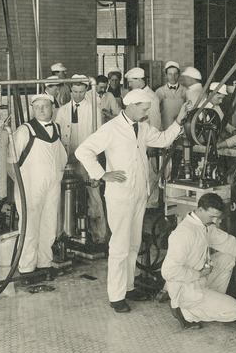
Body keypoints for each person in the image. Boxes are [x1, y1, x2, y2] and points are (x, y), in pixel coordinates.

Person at [76, 88, 190, 313]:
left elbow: (164, 140)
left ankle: (128, 286)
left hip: (139, 193)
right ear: (132, 105)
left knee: (133, 244)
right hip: (120, 195)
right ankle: (116, 296)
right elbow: (83, 150)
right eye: (144, 109)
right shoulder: (111, 128)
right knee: (119, 246)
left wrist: (179, 120)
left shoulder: (143, 127)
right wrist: (101, 174)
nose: (147, 112)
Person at [161, 193, 236, 329]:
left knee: (228, 257)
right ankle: (185, 312)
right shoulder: (184, 234)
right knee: (235, 311)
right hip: (186, 289)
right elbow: (168, 271)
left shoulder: (204, 226)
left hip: (199, 279)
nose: (215, 220)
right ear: (200, 210)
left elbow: (228, 243)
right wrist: (198, 274)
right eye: (212, 216)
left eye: (217, 217)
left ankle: (210, 300)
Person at [9, 93, 67, 275]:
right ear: (32, 109)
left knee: (49, 225)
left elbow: (61, 156)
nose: (41, 110)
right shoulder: (25, 131)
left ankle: (45, 264)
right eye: (37, 107)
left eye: (45, 106)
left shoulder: (56, 128)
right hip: (30, 187)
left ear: (52, 107)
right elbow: (10, 162)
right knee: (30, 227)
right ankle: (26, 268)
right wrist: (21, 186)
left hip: (52, 185)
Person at [55, 75, 108, 246]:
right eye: (75, 92)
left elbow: (100, 136)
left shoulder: (94, 109)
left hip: (87, 160)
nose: (77, 95)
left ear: (86, 90)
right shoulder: (62, 111)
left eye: (81, 91)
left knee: (93, 195)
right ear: (70, 90)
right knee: (65, 196)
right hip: (67, 159)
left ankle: (99, 236)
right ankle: (62, 233)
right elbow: (57, 136)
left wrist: (96, 161)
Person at [155, 61, 187, 130]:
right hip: (164, 129)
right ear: (166, 75)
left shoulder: (185, 91)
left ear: (179, 74)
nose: (173, 77)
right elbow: (154, 113)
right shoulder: (159, 91)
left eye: (175, 74)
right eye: (170, 74)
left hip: (180, 130)